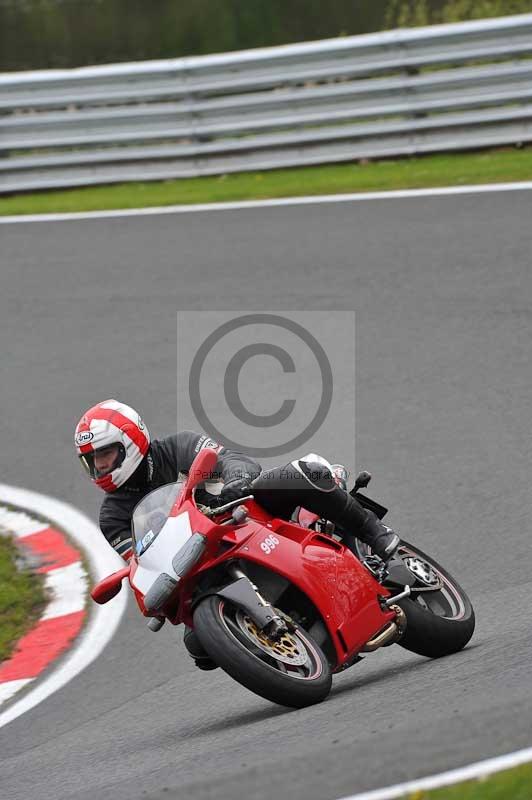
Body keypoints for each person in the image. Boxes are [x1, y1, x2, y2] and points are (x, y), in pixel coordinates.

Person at [75, 399, 399, 667]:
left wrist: (235, 479)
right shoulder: (112, 516)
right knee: (199, 646)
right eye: (93, 461)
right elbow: (139, 560)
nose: (101, 467)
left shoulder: (177, 448)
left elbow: (228, 459)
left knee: (302, 474)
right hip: (195, 562)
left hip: (242, 516)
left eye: (105, 455)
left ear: (131, 441)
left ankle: (374, 533)